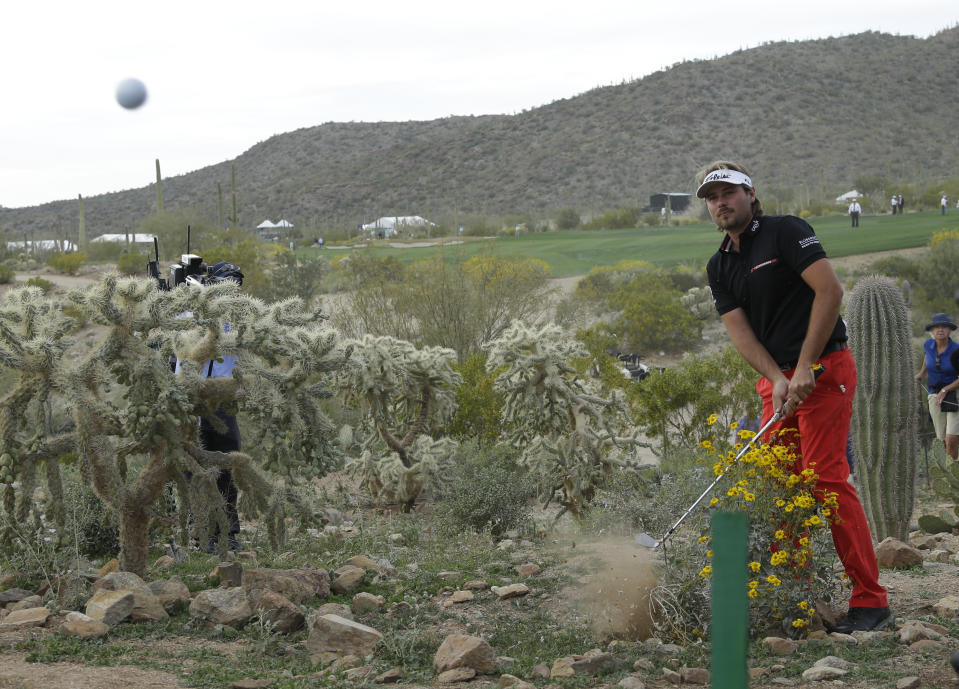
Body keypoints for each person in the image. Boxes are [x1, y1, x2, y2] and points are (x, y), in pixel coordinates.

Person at [696, 161, 891, 633]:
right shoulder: (719, 264)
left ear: (749, 193)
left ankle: (871, 600)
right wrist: (777, 378)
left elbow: (829, 291)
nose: (721, 202)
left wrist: (803, 367)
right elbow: (740, 333)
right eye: (712, 196)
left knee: (826, 481)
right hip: (777, 382)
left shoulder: (786, 232)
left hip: (824, 369)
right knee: (779, 487)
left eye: (729, 192)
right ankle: (795, 597)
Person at [177, 261, 246, 551]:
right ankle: (200, 532)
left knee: (227, 460)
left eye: (237, 287)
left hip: (223, 399)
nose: (234, 292)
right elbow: (183, 357)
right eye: (228, 285)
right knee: (196, 465)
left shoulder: (241, 318)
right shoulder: (191, 314)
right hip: (192, 397)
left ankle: (228, 532)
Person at [915, 313, 959, 461]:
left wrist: (945, 390)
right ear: (932, 330)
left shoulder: (956, 349)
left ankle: (953, 477)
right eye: (937, 327)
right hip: (934, 396)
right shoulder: (928, 345)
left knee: (952, 438)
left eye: (944, 327)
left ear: (950, 330)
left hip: (954, 395)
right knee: (941, 440)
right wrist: (921, 373)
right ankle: (946, 475)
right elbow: (928, 356)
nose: (940, 329)